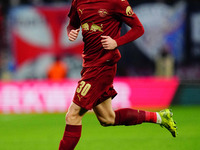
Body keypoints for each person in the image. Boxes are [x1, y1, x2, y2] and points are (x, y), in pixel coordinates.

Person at [59, 0, 177, 149]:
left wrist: (117, 42)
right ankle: (160, 117)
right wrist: (71, 31)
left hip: (103, 66)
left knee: (73, 115)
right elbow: (72, 24)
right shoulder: (79, 1)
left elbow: (138, 29)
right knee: (108, 118)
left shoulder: (116, 2)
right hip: (89, 64)